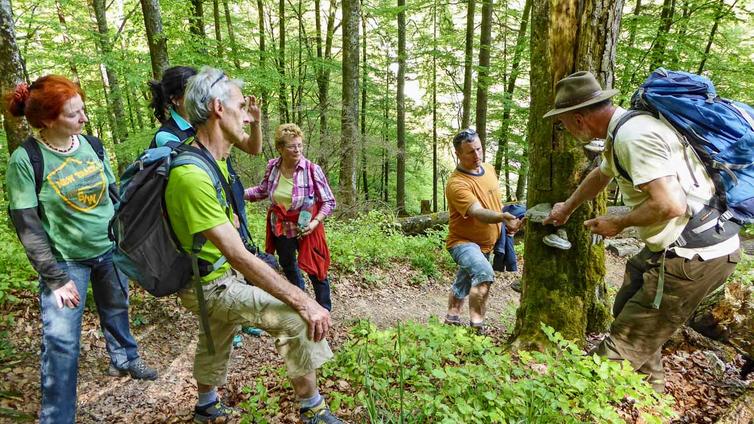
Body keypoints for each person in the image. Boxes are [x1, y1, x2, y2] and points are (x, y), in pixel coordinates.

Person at [542, 71, 741, 392]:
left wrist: (617, 223)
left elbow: (670, 204)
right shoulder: (626, 127)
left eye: (563, 122)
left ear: (578, 119)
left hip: (693, 255)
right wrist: (567, 207)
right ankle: (650, 392)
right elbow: (601, 174)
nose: (564, 129)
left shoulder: (632, 138)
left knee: (625, 342)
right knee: (627, 305)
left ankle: (574, 400)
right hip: (688, 243)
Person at [164, 67, 343, 423]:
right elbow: (239, 256)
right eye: (242, 107)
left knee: (216, 332)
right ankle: (314, 411)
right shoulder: (191, 174)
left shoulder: (212, 158)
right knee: (294, 317)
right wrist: (304, 300)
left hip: (209, 277)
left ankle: (205, 406)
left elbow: (252, 149)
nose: (248, 116)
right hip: (212, 282)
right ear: (218, 108)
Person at [5, 75, 157, 423]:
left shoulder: (92, 144)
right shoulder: (26, 160)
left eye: (82, 110)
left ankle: (124, 357)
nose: (84, 118)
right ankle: (57, 416)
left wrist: (128, 238)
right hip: (65, 263)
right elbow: (27, 225)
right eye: (75, 114)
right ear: (47, 120)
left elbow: (114, 194)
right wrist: (56, 279)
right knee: (62, 342)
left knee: (117, 307)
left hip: (109, 250)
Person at [148, 65, 265, 345]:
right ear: (177, 99)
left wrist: (252, 120)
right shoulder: (174, 137)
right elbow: (185, 185)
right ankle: (228, 323)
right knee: (216, 267)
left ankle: (233, 323)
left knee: (234, 258)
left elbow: (252, 147)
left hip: (226, 200)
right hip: (202, 213)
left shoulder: (210, 125)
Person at [244, 123, 336, 311]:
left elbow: (329, 201)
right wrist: (237, 192)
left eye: (300, 145)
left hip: (307, 228)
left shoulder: (311, 169)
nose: (297, 150)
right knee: (288, 264)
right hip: (281, 227)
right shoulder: (273, 167)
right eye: (292, 146)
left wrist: (315, 222)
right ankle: (301, 302)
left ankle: (324, 309)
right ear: (280, 148)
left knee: (316, 269)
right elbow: (262, 191)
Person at [444, 128, 522, 333]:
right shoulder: (456, 183)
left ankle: (451, 318)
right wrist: (501, 217)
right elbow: (477, 211)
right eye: (470, 152)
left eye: (479, 149)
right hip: (462, 243)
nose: (477, 155)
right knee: (483, 273)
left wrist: (506, 224)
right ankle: (477, 326)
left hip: (487, 243)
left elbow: (495, 203)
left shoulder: (488, 169)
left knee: (464, 279)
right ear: (458, 154)